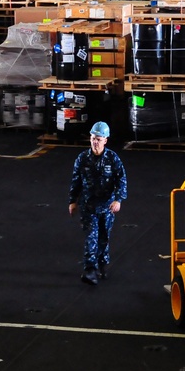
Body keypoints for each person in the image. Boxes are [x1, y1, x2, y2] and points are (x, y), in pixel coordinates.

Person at [68, 122, 128, 286]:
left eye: (99, 139)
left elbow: (121, 180)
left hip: (107, 207)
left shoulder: (112, 158)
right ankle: (90, 269)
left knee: (103, 237)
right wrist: (73, 201)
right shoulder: (82, 158)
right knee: (91, 237)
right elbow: (76, 181)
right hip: (89, 206)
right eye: (93, 138)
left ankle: (102, 264)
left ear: (105, 140)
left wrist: (118, 199)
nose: (95, 142)